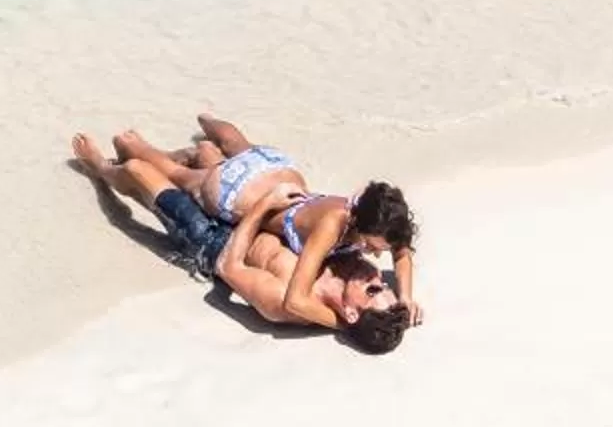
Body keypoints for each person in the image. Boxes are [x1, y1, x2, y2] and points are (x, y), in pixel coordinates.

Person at [68, 130, 411, 355]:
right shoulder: (351, 266)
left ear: (350, 313)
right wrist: (407, 297)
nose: (374, 277)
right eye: (382, 283)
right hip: (245, 219)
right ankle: (188, 158)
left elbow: (228, 267)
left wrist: (264, 206)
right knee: (205, 154)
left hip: (213, 240)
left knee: (138, 171)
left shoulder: (283, 304)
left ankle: (100, 168)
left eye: (373, 291)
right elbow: (398, 243)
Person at [170, 114, 424, 324]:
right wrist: (350, 324)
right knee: (178, 176)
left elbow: (401, 253)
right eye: (370, 245)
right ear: (360, 225)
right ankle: (137, 147)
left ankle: (205, 119)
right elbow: (296, 300)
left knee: (232, 141)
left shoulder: (379, 215)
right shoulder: (333, 227)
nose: (375, 254)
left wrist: (406, 297)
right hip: (239, 193)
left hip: (277, 171)